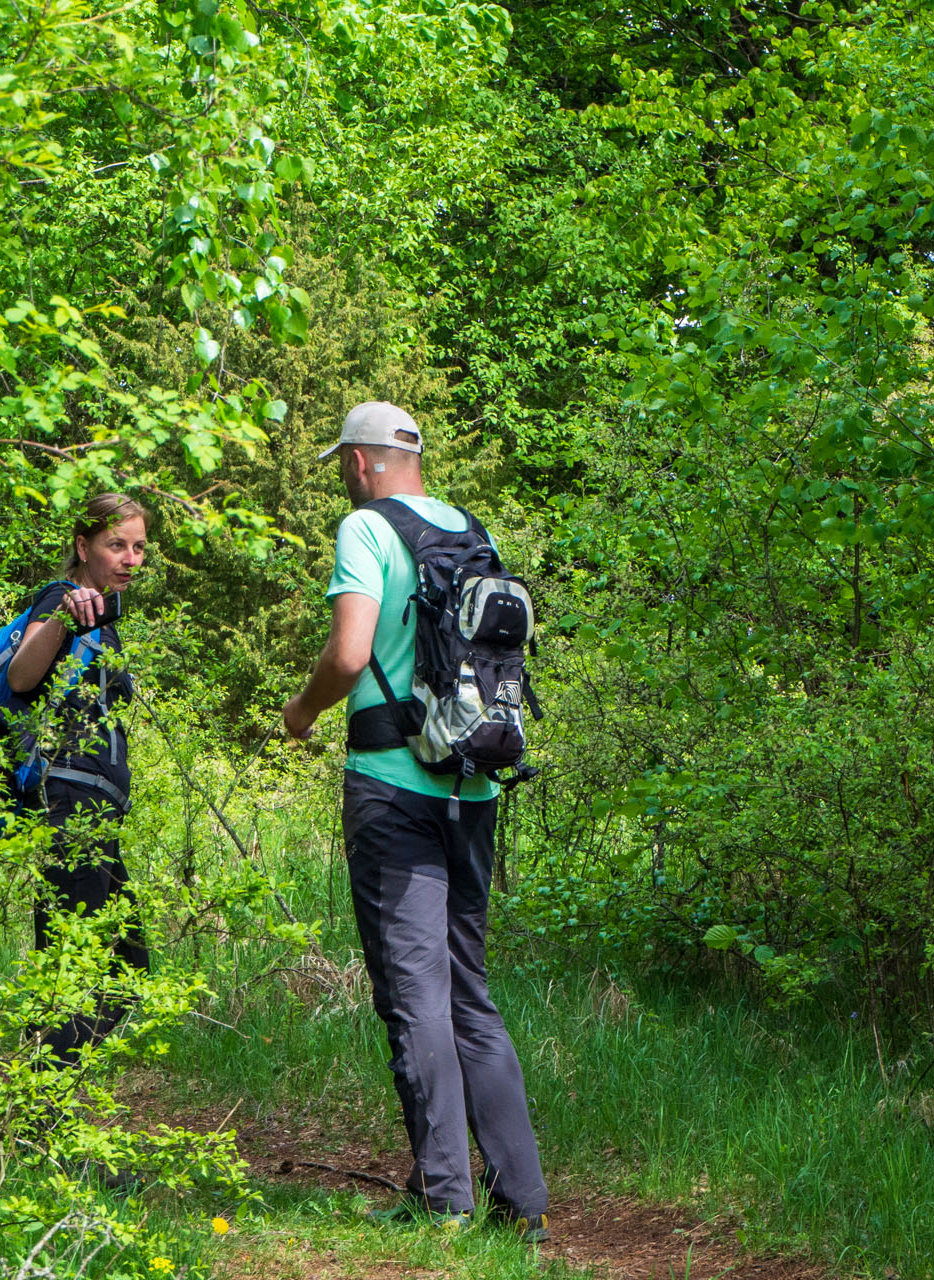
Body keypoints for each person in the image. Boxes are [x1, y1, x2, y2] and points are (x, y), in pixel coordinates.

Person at [282, 402, 550, 1240]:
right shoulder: (475, 535)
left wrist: (300, 711)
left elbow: (351, 654)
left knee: (414, 992)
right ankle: (523, 1204)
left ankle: (443, 1202)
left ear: (360, 464)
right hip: (473, 789)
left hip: (394, 788)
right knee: (468, 991)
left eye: (341, 464)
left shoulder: (365, 529)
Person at [4, 493, 152, 1068]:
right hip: (70, 810)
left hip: (92, 812)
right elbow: (20, 677)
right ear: (82, 546)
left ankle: (39, 1102)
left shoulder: (104, 615)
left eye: (138, 547)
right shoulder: (62, 601)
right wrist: (65, 615)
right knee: (89, 967)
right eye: (117, 545)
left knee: (118, 966)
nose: (130, 558)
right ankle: (41, 1114)